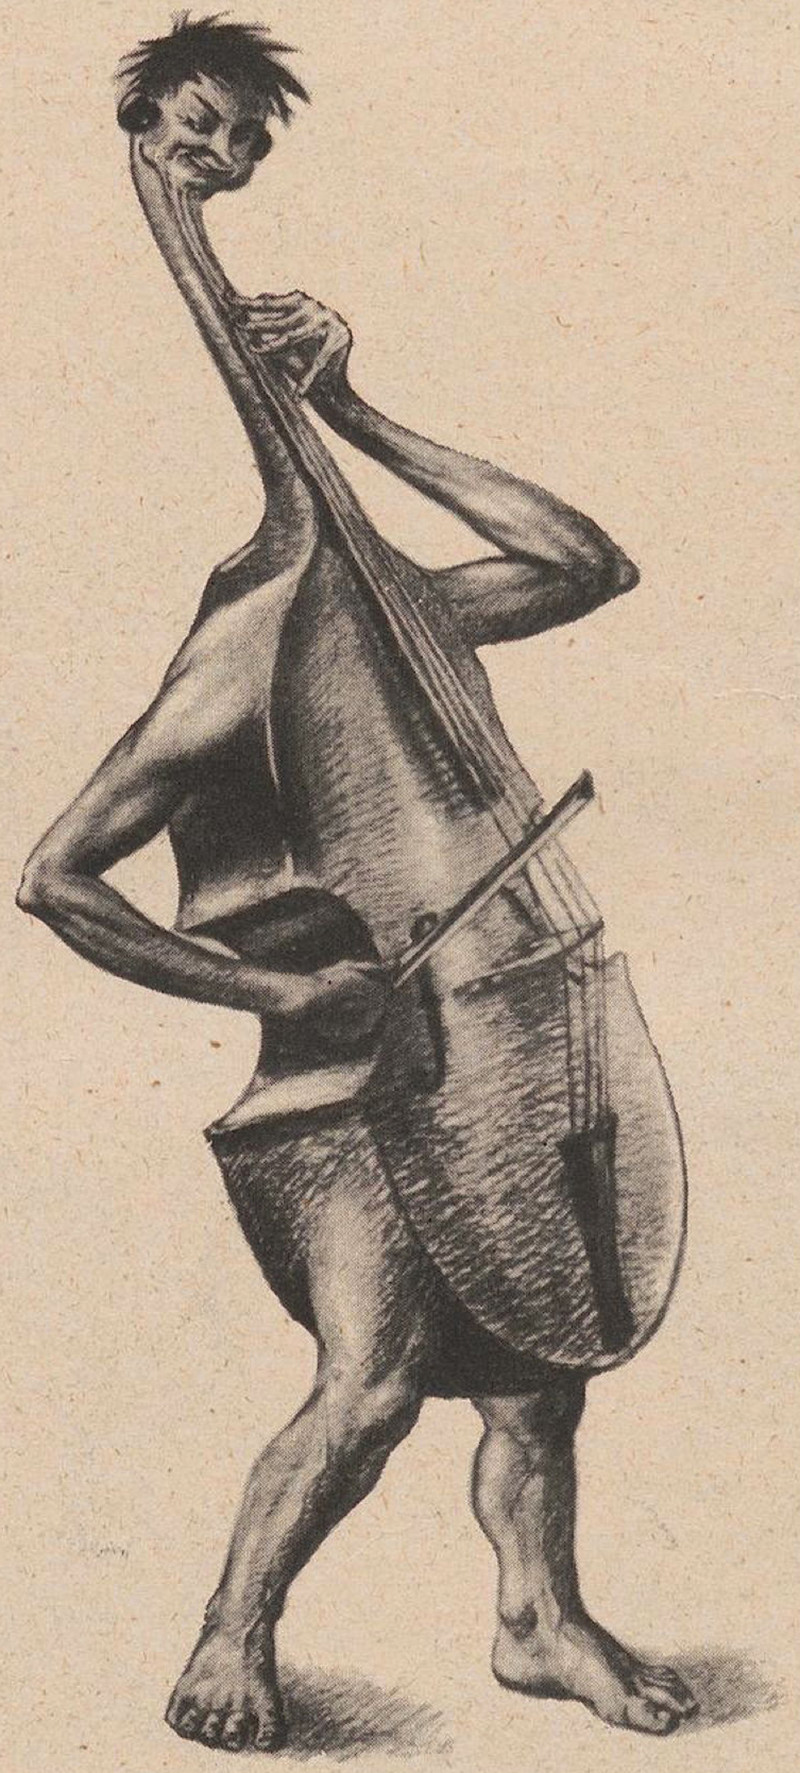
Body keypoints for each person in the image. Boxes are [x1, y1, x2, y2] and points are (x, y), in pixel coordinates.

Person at [17, 16, 696, 1753]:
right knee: (376, 1384)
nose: (224, 160)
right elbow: (58, 876)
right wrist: (272, 985)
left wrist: (352, 408)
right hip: (352, 1071)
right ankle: (232, 1631)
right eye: (203, 131)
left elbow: (581, 561)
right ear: (154, 127)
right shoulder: (249, 637)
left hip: (507, 1020)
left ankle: (538, 1620)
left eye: (246, 141)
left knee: (543, 1364)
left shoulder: (396, 609)